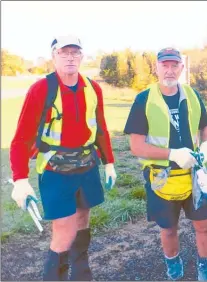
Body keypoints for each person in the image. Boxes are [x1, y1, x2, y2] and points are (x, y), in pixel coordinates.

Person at [10, 35, 117, 280]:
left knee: (82, 220)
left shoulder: (93, 88)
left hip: (87, 166)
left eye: (75, 52)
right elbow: (21, 139)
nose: (70, 57)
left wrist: (109, 162)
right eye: (64, 52)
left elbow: (100, 127)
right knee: (64, 231)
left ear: (81, 56)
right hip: (55, 170)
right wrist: (20, 179)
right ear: (54, 56)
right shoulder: (41, 89)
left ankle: (81, 275)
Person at [124, 47, 207, 281]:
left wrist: (204, 148)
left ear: (181, 68)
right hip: (161, 177)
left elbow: (206, 127)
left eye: (174, 65)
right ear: (156, 68)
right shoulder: (144, 99)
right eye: (164, 65)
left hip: (194, 175)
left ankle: (206, 267)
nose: (169, 69)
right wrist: (172, 154)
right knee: (168, 229)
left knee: (204, 225)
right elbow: (136, 146)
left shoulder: (192, 95)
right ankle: (173, 263)